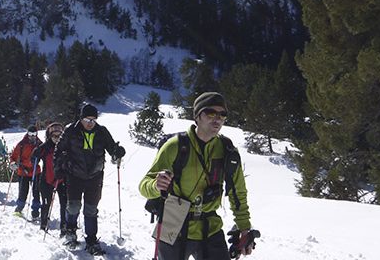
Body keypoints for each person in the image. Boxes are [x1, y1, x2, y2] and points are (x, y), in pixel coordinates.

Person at [138, 92, 253, 260]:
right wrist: (156, 185)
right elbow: (144, 185)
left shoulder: (228, 151)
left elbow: (238, 193)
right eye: (211, 113)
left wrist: (244, 228)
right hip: (173, 222)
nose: (217, 118)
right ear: (197, 116)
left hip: (209, 225)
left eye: (222, 114)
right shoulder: (175, 146)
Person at [55, 104, 126, 255]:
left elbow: (112, 148)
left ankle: (92, 240)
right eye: (87, 119)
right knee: (73, 206)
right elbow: (59, 149)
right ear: (81, 118)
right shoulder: (70, 130)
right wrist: (58, 168)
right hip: (74, 175)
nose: (90, 123)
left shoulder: (102, 132)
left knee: (91, 209)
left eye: (93, 120)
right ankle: (70, 232)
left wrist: (117, 152)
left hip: (94, 177)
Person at [33, 122, 67, 233]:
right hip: (46, 180)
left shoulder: (65, 147)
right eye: (54, 136)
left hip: (62, 180)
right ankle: (43, 224)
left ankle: (64, 227)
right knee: (46, 204)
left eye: (59, 136)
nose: (57, 138)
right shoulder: (45, 147)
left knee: (64, 204)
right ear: (49, 136)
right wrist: (35, 156)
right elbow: (33, 158)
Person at [10, 125, 42, 218]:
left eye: (34, 134)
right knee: (23, 191)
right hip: (23, 171)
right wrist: (13, 163)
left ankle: (35, 210)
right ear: (27, 133)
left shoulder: (39, 144)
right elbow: (13, 156)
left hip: (35, 171)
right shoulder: (22, 144)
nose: (32, 136)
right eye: (30, 134)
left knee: (36, 191)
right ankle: (19, 208)